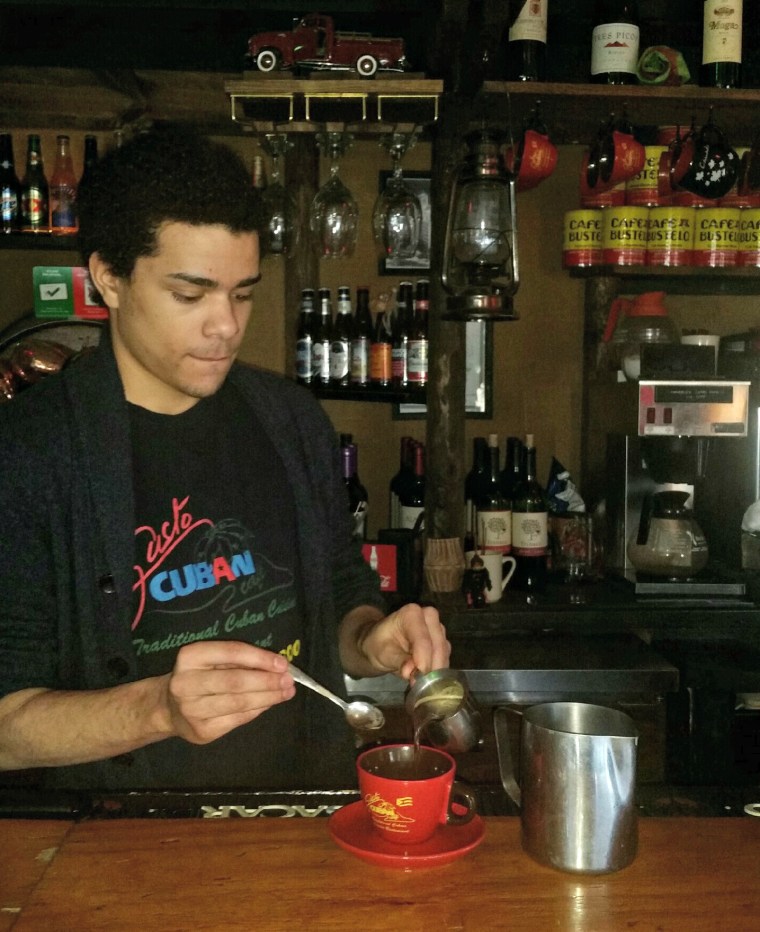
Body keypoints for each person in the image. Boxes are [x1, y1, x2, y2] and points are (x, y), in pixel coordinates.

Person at [0, 126, 449, 791]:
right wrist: (159, 709)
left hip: (301, 814)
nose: (226, 327)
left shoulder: (290, 419)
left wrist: (372, 638)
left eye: (241, 293)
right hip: (121, 849)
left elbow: (341, 587)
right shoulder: (30, 454)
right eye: (191, 295)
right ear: (109, 279)